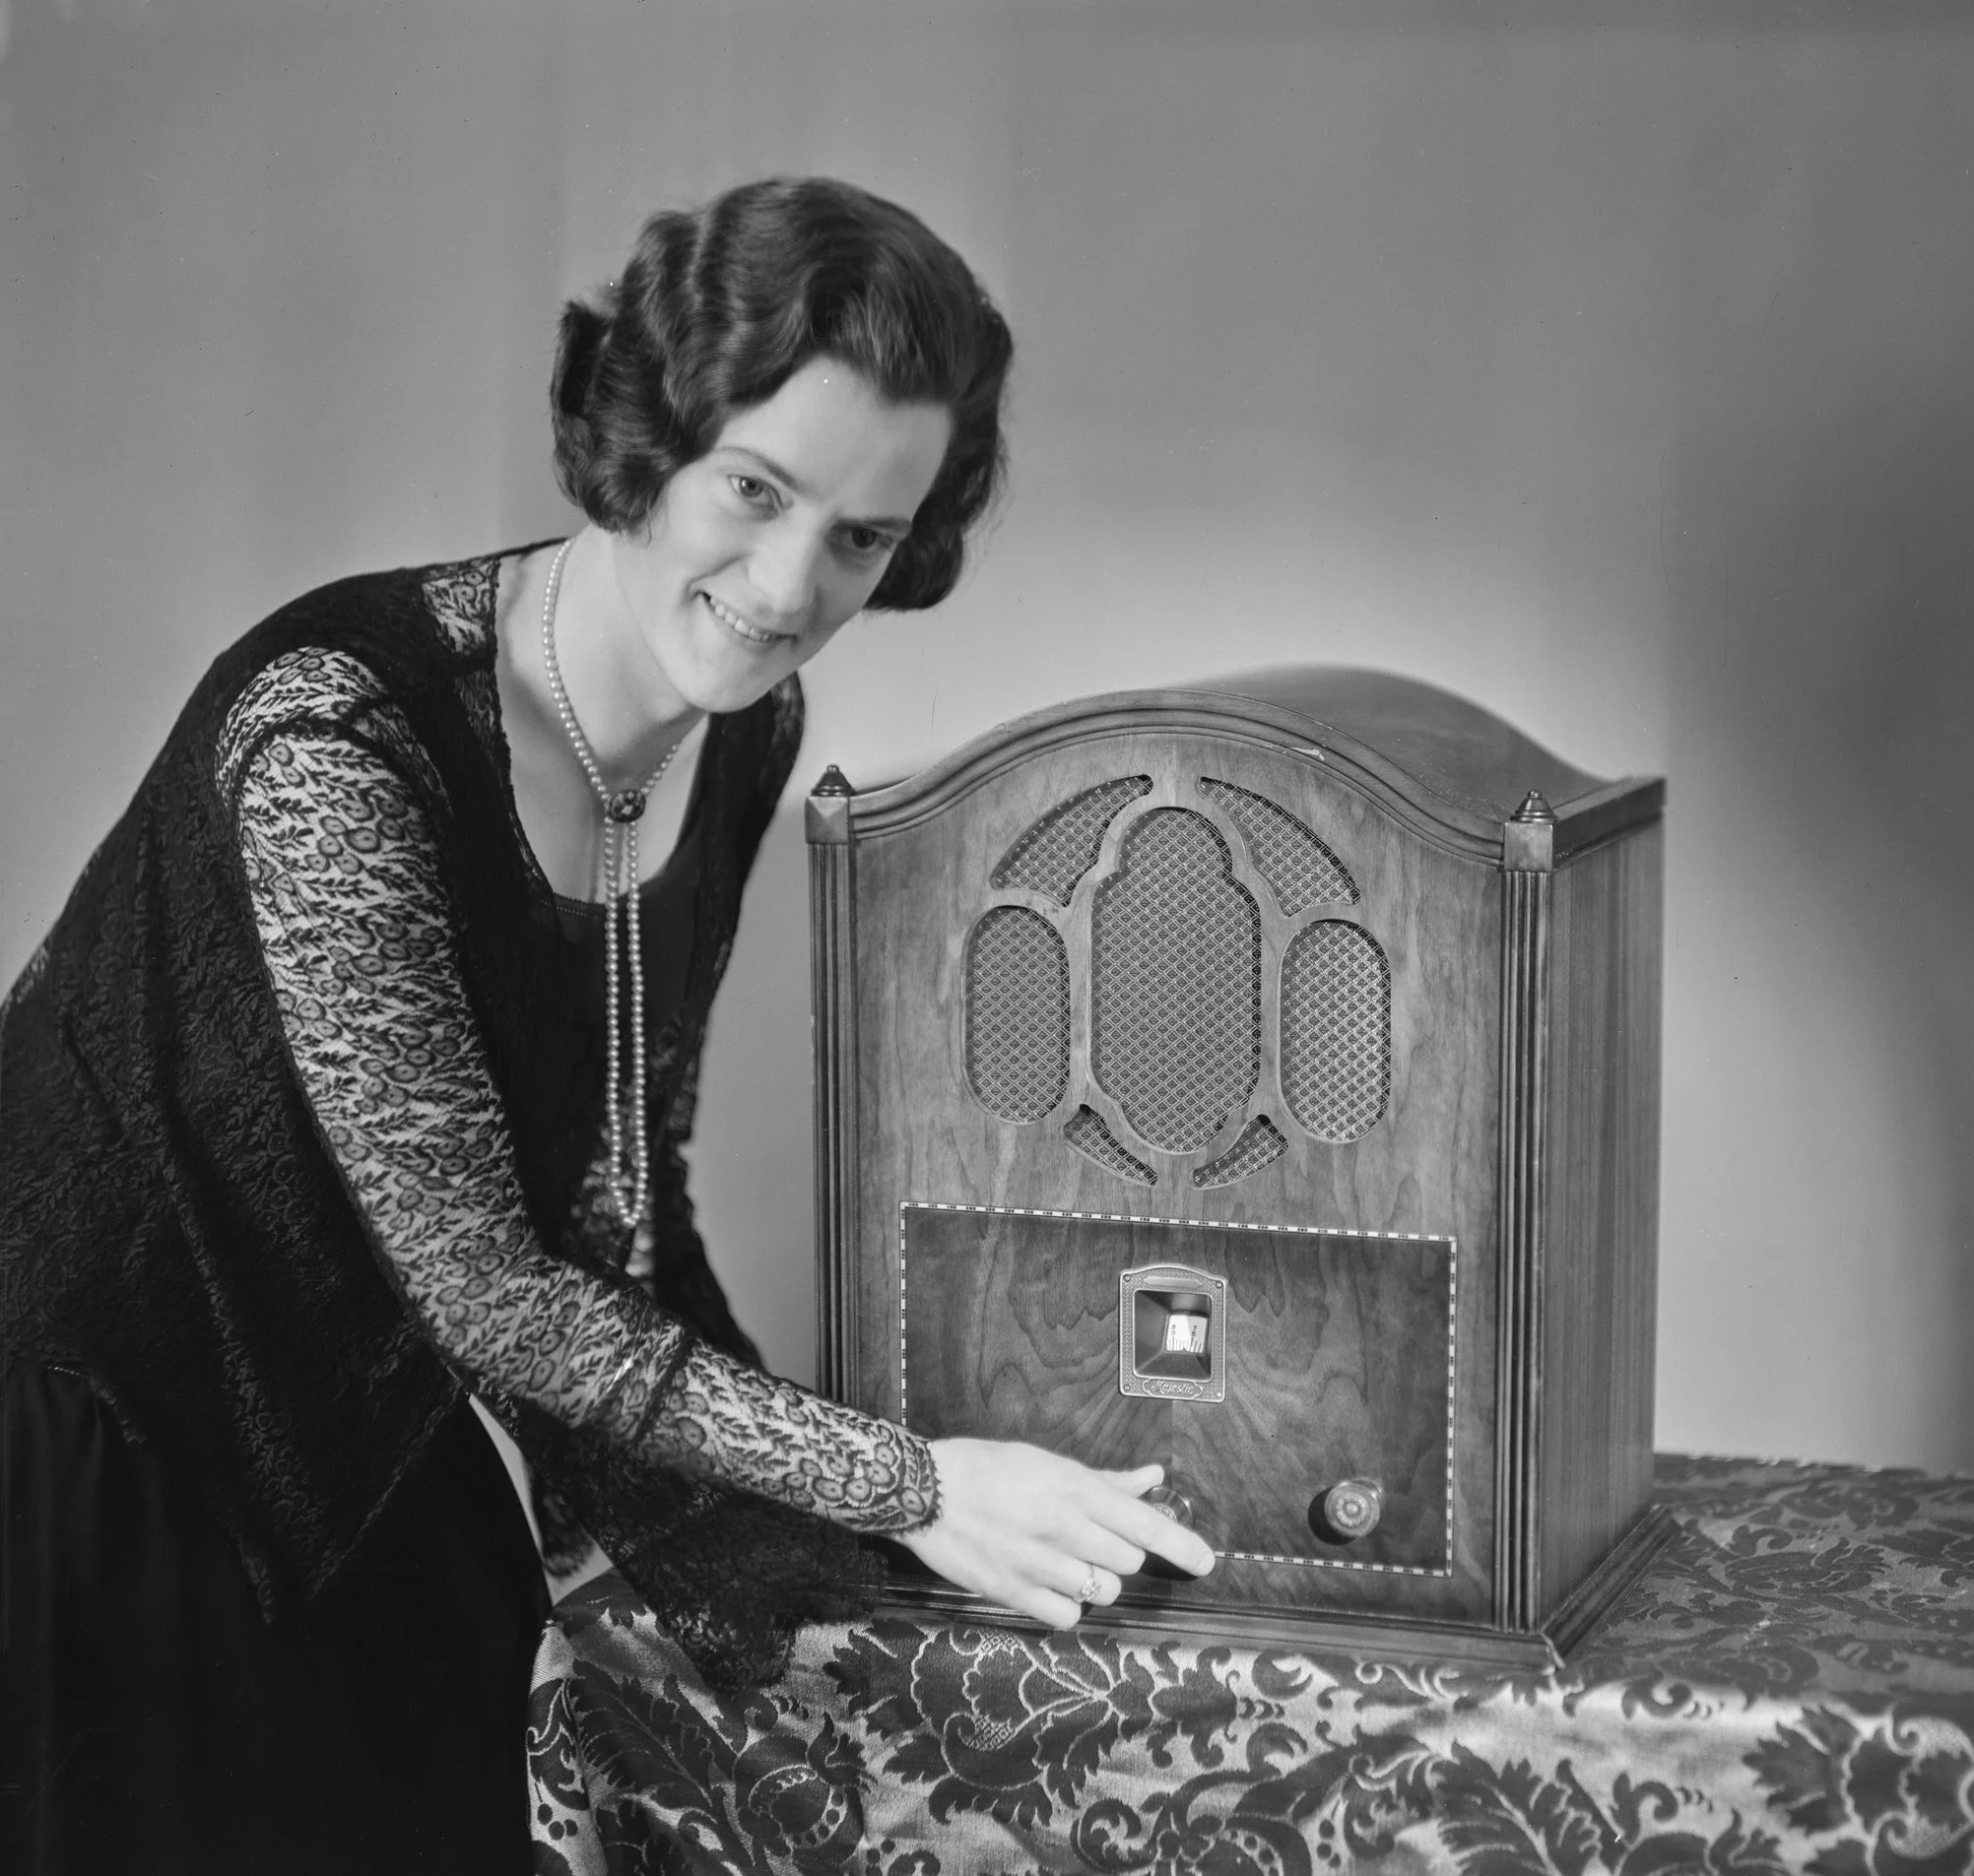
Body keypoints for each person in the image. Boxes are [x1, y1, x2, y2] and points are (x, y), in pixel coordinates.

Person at [0, 175, 1213, 1875]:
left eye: (861, 535)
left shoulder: (746, 731)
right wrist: (907, 1482)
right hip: (92, 1457)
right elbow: (490, 1285)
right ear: (647, 438)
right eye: (754, 489)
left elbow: (625, 1187)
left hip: (358, 1420)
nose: (790, 585)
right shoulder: (336, 737)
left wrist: (808, 1520)